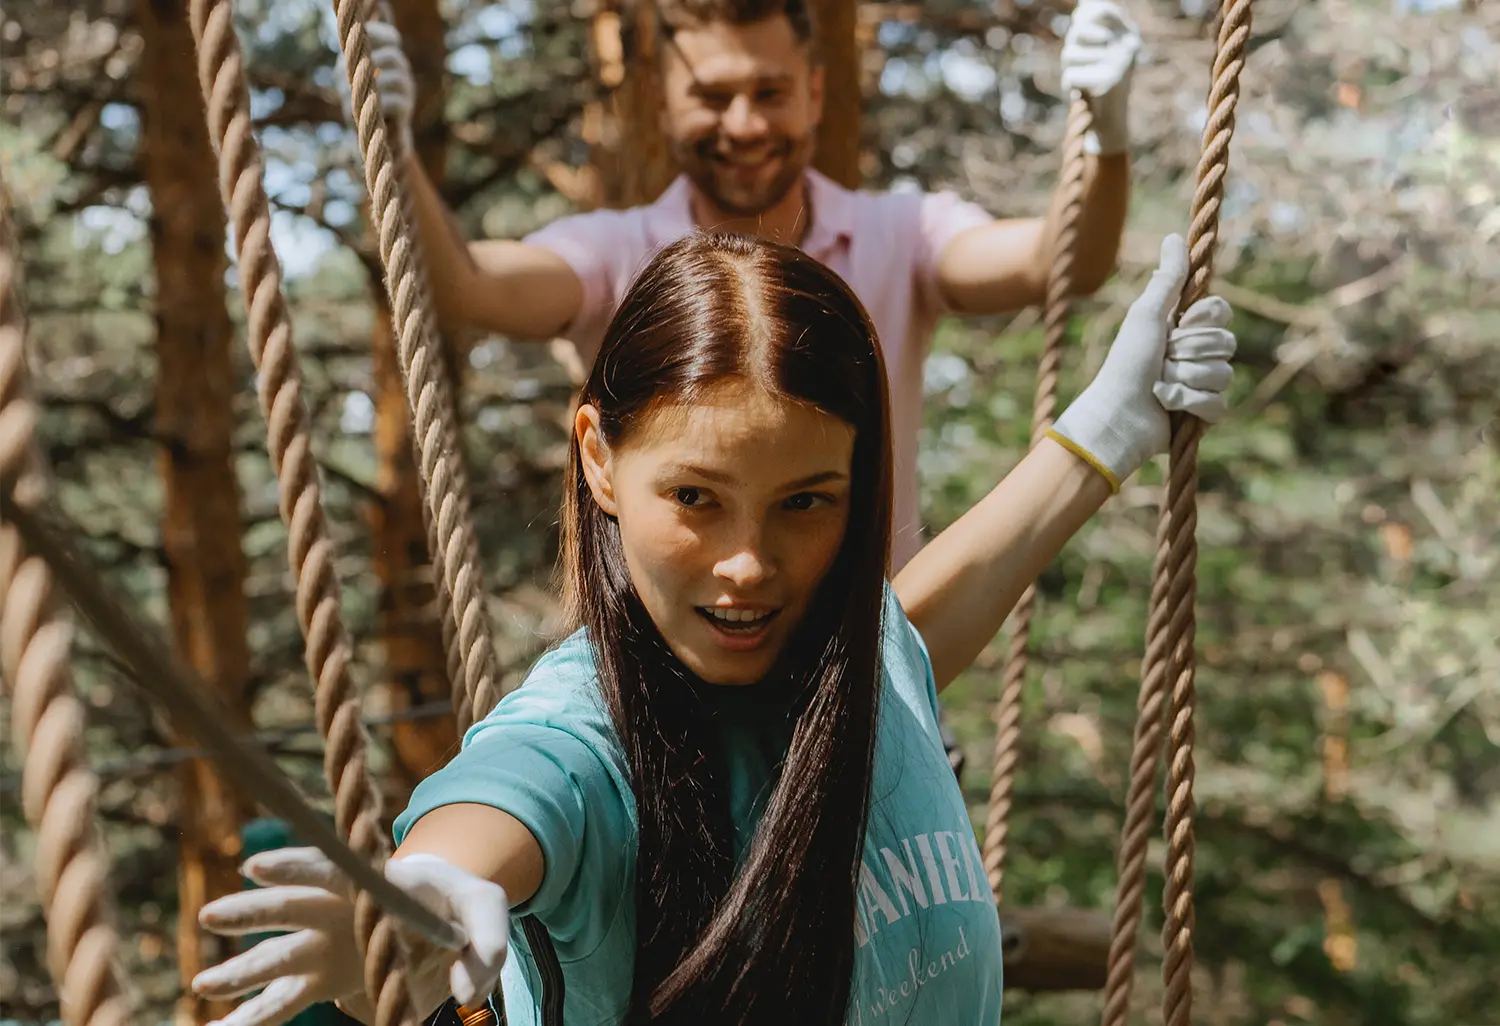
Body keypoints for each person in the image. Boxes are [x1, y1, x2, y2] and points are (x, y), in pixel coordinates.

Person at [189, 230, 1237, 1026]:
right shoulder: (580, 738)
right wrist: (429, 895)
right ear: (599, 460)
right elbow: (505, 801)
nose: (749, 564)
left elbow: (916, 622)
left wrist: (1107, 429)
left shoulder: (857, 653)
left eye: (805, 502)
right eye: (695, 498)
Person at [367, 0, 1143, 773]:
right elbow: (468, 286)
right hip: (657, 722)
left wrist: (1103, 141)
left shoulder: (900, 235)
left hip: (865, 695)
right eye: (712, 96)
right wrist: (391, 146)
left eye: (769, 92)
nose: (743, 124)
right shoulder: (619, 253)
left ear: (814, 91)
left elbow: (1058, 261)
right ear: (662, 100)